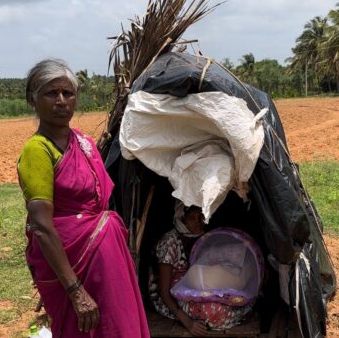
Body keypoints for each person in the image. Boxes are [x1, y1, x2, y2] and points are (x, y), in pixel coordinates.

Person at [17, 58, 149, 337]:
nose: (62, 101)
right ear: (33, 99)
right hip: (73, 267)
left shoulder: (85, 143)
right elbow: (41, 226)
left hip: (105, 260)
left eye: (68, 93)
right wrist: (75, 290)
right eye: (51, 93)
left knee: (118, 326)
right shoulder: (37, 151)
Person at [148, 202, 253, 336]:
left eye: (201, 217)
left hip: (194, 289)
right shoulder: (169, 242)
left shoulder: (201, 238)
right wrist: (187, 321)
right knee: (215, 311)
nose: (198, 222)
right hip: (171, 298)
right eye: (192, 217)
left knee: (230, 295)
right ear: (182, 218)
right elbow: (163, 291)